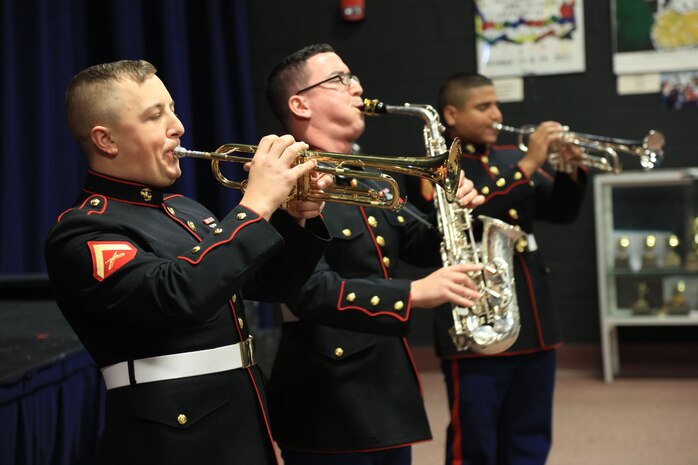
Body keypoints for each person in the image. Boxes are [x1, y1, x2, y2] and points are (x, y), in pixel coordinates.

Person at [44, 59, 333, 465]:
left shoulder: (186, 210)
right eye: (154, 115)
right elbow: (179, 295)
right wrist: (255, 206)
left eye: (173, 108)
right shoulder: (83, 233)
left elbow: (269, 285)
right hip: (174, 442)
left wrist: (297, 217)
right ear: (106, 141)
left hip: (241, 420)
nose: (177, 126)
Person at [264, 44, 485, 465]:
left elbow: (416, 246)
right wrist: (413, 294)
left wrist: (455, 212)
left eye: (354, 77)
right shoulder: (283, 179)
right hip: (328, 392)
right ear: (300, 103)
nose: (357, 87)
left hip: (384, 381)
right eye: (340, 79)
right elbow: (308, 291)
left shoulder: (367, 173)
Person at [405, 72, 587, 465]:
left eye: (497, 105)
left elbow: (561, 211)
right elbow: (469, 213)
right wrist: (529, 164)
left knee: (530, 435)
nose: (496, 114)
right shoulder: (435, 165)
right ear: (451, 113)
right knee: (475, 441)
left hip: (533, 319)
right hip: (477, 314)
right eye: (483, 106)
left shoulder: (507, 158)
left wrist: (571, 172)